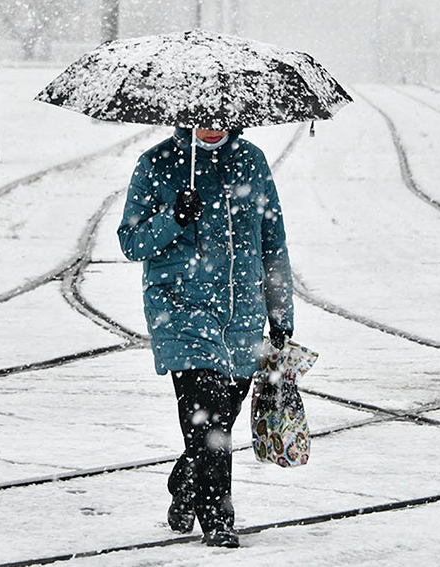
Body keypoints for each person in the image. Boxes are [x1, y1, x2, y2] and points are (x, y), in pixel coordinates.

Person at [117, 127, 294, 548]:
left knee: (221, 418)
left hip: (243, 313)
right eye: (204, 115)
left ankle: (186, 479)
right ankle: (218, 517)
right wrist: (173, 219)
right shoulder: (157, 162)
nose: (212, 121)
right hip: (181, 311)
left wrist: (280, 312)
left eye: (221, 114)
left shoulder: (251, 160)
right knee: (207, 418)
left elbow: (273, 243)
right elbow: (131, 241)